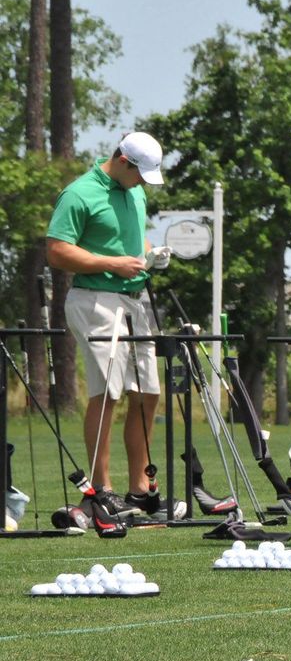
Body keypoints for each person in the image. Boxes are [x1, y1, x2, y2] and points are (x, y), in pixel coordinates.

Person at [45, 132, 171, 516]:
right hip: (95, 298)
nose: (142, 183)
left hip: (137, 299)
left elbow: (132, 240)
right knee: (108, 394)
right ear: (122, 161)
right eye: (140, 174)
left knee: (148, 392)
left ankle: (139, 489)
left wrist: (152, 253)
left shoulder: (134, 190)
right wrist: (113, 264)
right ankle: (101, 490)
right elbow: (57, 250)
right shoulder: (79, 193)